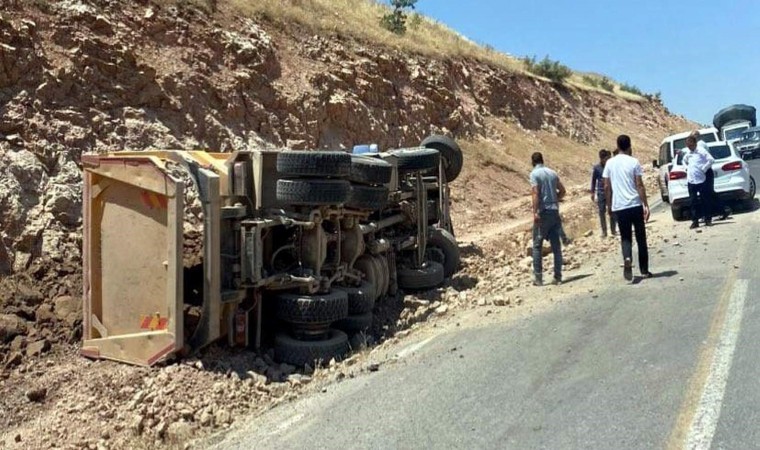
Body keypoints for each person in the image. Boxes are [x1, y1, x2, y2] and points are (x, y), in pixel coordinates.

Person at [603, 135, 651, 281]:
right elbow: (639, 185)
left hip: (620, 206)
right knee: (641, 237)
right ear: (629, 146)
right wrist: (645, 204)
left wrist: (609, 205)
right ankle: (644, 270)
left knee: (625, 237)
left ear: (617, 146)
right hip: (635, 204)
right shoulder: (634, 161)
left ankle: (628, 257)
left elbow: (606, 186)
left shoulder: (610, 163)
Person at [530, 152, 566, 286]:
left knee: (537, 245)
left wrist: (535, 212)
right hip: (554, 212)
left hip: (543, 213)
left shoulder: (534, 174)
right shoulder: (552, 173)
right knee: (556, 246)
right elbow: (562, 191)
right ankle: (558, 276)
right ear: (542, 160)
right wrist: (555, 200)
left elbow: (535, 193)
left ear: (533, 162)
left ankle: (538, 278)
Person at [683, 136, 715, 228]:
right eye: (688, 145)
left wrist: (704, 168)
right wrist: (686, 168)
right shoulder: (688, 153)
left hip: (701, 179)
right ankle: (695, 221)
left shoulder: (701, 151)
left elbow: (711, 160)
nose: (689, 147)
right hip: (691, 180)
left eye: (691, 145)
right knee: (693, 201)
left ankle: (708, 219)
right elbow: (684, 160)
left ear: (695, 144)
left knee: (705, 200)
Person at [590, 149, 617, 237]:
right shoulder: (597, 168)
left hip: (610, 191)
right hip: (601, 192)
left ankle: (613, 230)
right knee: (602, 212)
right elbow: (593, 180)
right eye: (603, 159)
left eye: (605, 159)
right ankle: (604, 231)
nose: (604, 161)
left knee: (612, 210)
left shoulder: (610, 166)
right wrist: (592, 192)